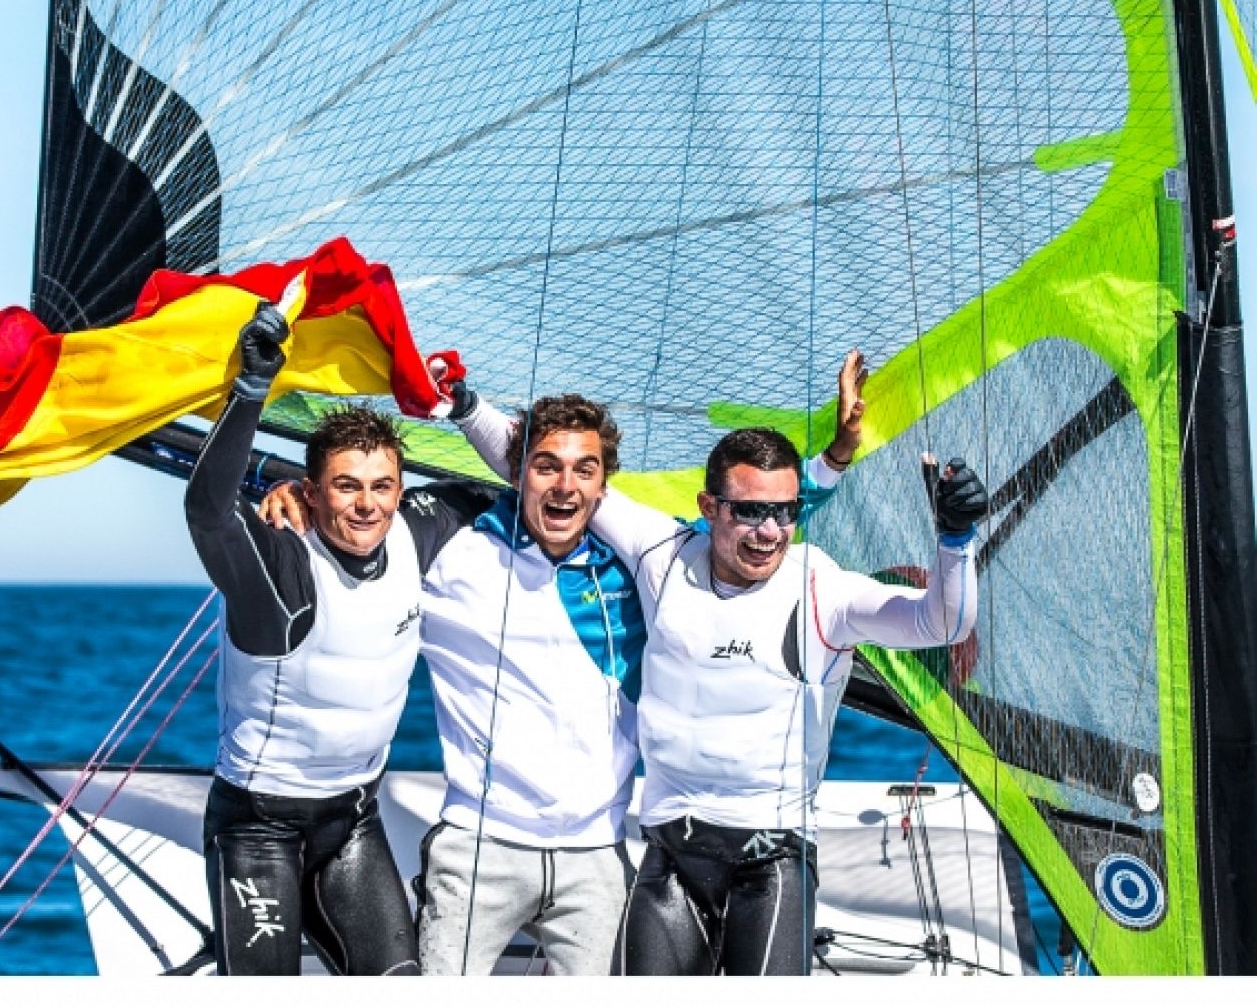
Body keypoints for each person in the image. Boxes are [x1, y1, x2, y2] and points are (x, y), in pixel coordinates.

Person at [258, 355, 866, 974]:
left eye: (585, 472)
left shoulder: (644, 559)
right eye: (544, 468)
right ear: (521, 472)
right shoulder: (453, 545)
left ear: (605, 488)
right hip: (477, 850)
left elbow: (756, 521)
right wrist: (290, 498)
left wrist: (839, 461)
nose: (565, 486)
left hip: (596, 855)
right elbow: (358, 525)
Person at [458, 392, 985, 975]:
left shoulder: (823, 591)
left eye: (785, 513)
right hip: (670, 854)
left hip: (772, 861)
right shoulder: (663, 553)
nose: (769, 533)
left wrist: (955, 540)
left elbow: (942, 622)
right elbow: (548, 474)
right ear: (709, 507)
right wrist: (462, 405)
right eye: (749, 513)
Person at [184, 303, 490, 975]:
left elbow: (508, 481)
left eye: (383, 486)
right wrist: (249, 391)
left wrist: (465, 404)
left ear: (402, 488)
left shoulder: (417, 530)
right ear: (312, 493)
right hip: (256, 828)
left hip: (351, 821)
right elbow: (208, 512)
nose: (367, 504)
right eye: (346, 487)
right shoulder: (281, 568)